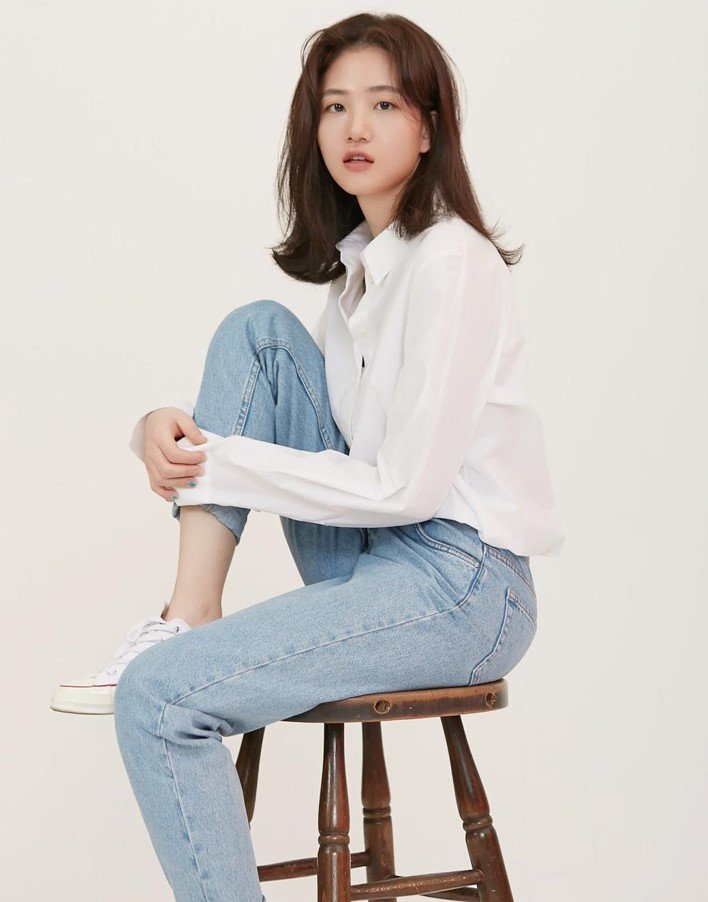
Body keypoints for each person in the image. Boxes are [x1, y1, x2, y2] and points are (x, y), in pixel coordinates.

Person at [50, 12, 564, 900]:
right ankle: (188, 613)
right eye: (334, 106)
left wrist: (220, 461)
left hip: (463, 585)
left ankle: (175, 656)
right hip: (373, 561)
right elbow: (301, 436)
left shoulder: (452, 263)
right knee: (256, 332)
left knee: (160, 699)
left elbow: (406, 486)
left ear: (428, 126)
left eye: (384, 104)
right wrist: (154, 432)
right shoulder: (360, 277)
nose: (355, 127)